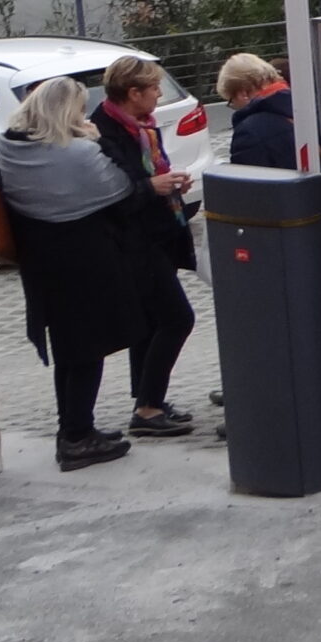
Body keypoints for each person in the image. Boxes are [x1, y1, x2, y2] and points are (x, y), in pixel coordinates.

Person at [0, 76, 141, 471]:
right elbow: (121, 186)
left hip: (41, 263)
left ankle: (74, 428)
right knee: (89, 352)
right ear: (65, 112)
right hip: (85, 260)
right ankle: (77, 438)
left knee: (68, 351)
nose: (82, 115)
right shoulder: (76, 153)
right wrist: (97, 139)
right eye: (78, 109)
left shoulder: (6, 146)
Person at [92, 55, 199, 440]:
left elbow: (150, 175)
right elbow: (110, 195)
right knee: (177, 319)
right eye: (153, 88)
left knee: (151, 322)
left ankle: (148, 400)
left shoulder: (142, 127)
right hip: (134, 242)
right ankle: (148, 407)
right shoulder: (104, 134)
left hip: (159, 234)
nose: (158, 94)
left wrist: (171, 185)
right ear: (132, 93)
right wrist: (151, 188)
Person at [216, 52, 296, 169]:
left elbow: (247, 183)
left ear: (243, 94)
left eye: (231, 101)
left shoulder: (249, 132)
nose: (234, 107)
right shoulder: (307, 104)